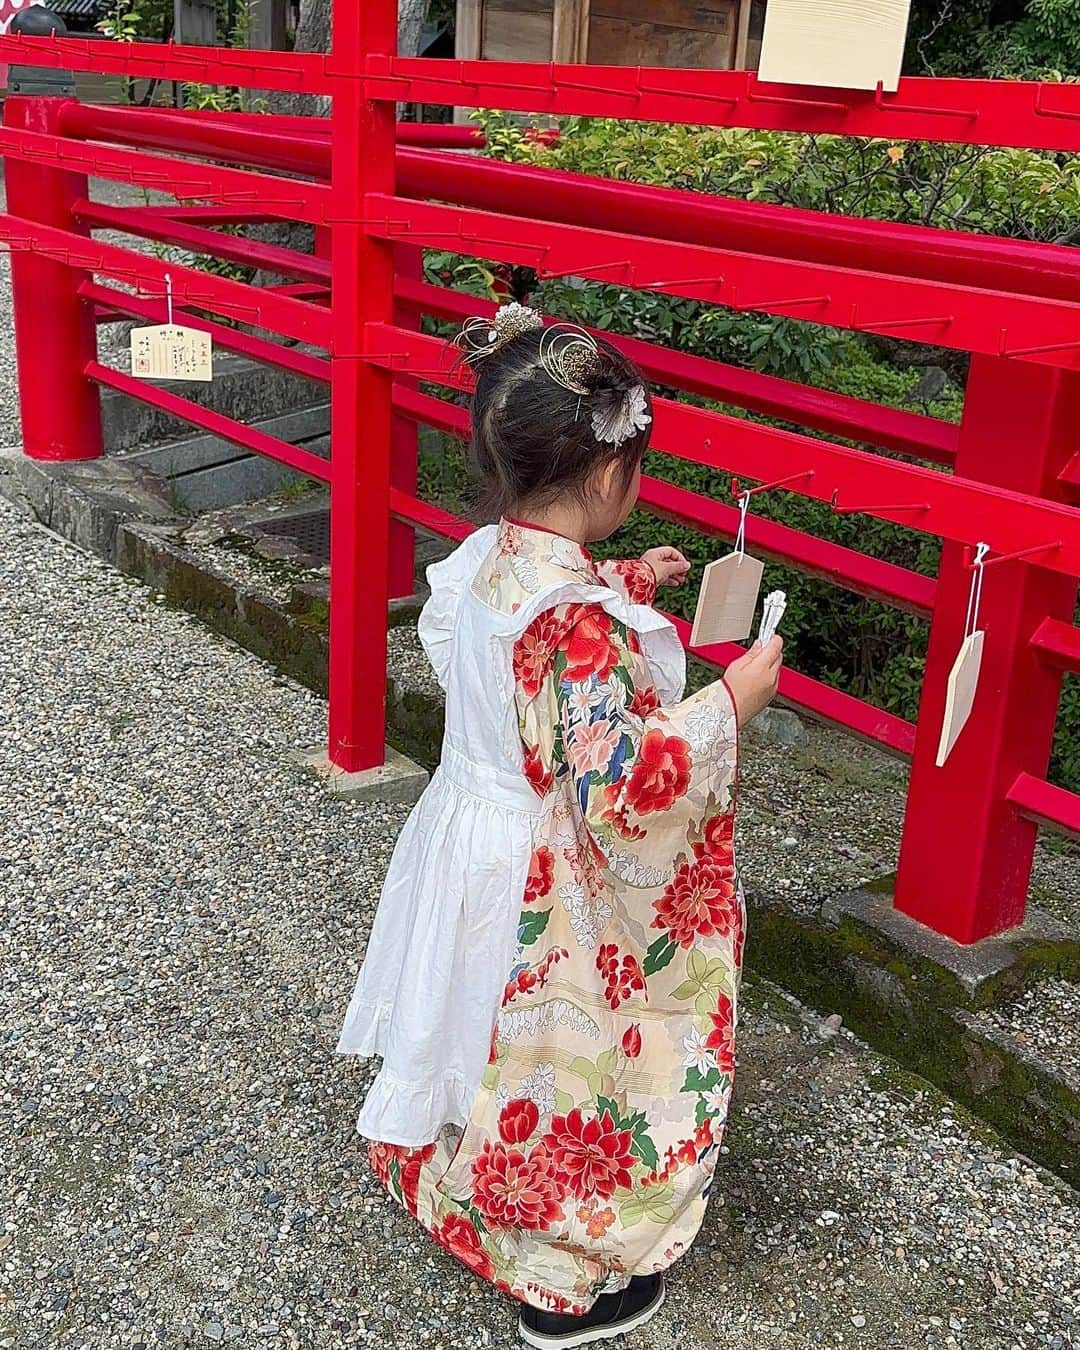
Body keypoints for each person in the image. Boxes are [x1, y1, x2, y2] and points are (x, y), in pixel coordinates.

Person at [337, 303, 783, 1347]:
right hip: (545, 874)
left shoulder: (494, 556)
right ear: (602, 475)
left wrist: (628, 582)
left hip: (465, 833)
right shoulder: (576, 622)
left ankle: (446, 1176)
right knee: (547, 1060)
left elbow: (511, 647)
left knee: (469, 1025)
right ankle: (556, 1279)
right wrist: (731, 706)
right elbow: (623, 786)